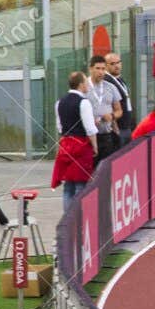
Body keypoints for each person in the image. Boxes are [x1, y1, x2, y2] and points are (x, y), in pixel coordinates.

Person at [51, 71, 97, 209]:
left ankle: (67, 218)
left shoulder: (59, 102)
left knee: (68, 185)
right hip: (81, 145)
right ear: (81, 84)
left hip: (66, 145)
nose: (88, 84)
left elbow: (60, 127)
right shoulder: (84, 102)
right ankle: (78, 218)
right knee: (80, 184)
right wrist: (95, 146)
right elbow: (90, 128)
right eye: (86, 82)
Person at [105, 50, 134, 140]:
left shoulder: (119, 79)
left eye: (118, 62)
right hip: (118, 128)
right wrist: (115, 126)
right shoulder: (108, 81)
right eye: (113, 63)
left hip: (127, 126)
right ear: (106, 66)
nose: (116, 66)